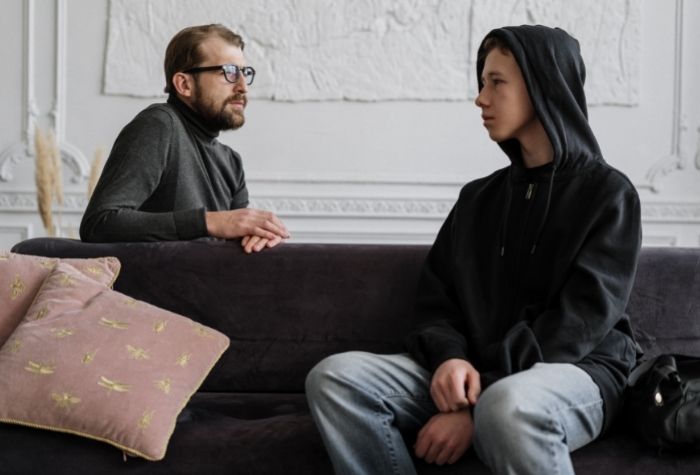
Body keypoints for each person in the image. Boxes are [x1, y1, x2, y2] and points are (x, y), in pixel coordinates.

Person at [306, 25, 642, 475]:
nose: (481, 99)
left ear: (544, 86)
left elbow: (576, 325)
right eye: (482, 83)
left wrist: (475, 399)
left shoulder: (609, 194)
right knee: (335, 378)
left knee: (508, 405)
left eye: (496, 83)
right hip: (475, 375)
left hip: (579, 373)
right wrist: (450, 359)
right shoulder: (478, 199)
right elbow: (436, 301)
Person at [80, 24, 289, 253]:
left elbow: (235, 247)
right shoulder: (159, 125)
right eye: (228, 72)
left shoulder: (231, 162)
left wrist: (259, 237)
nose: (242, 87)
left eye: (244, 73)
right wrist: (212, 222)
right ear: (184, 84)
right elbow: (99, 223)